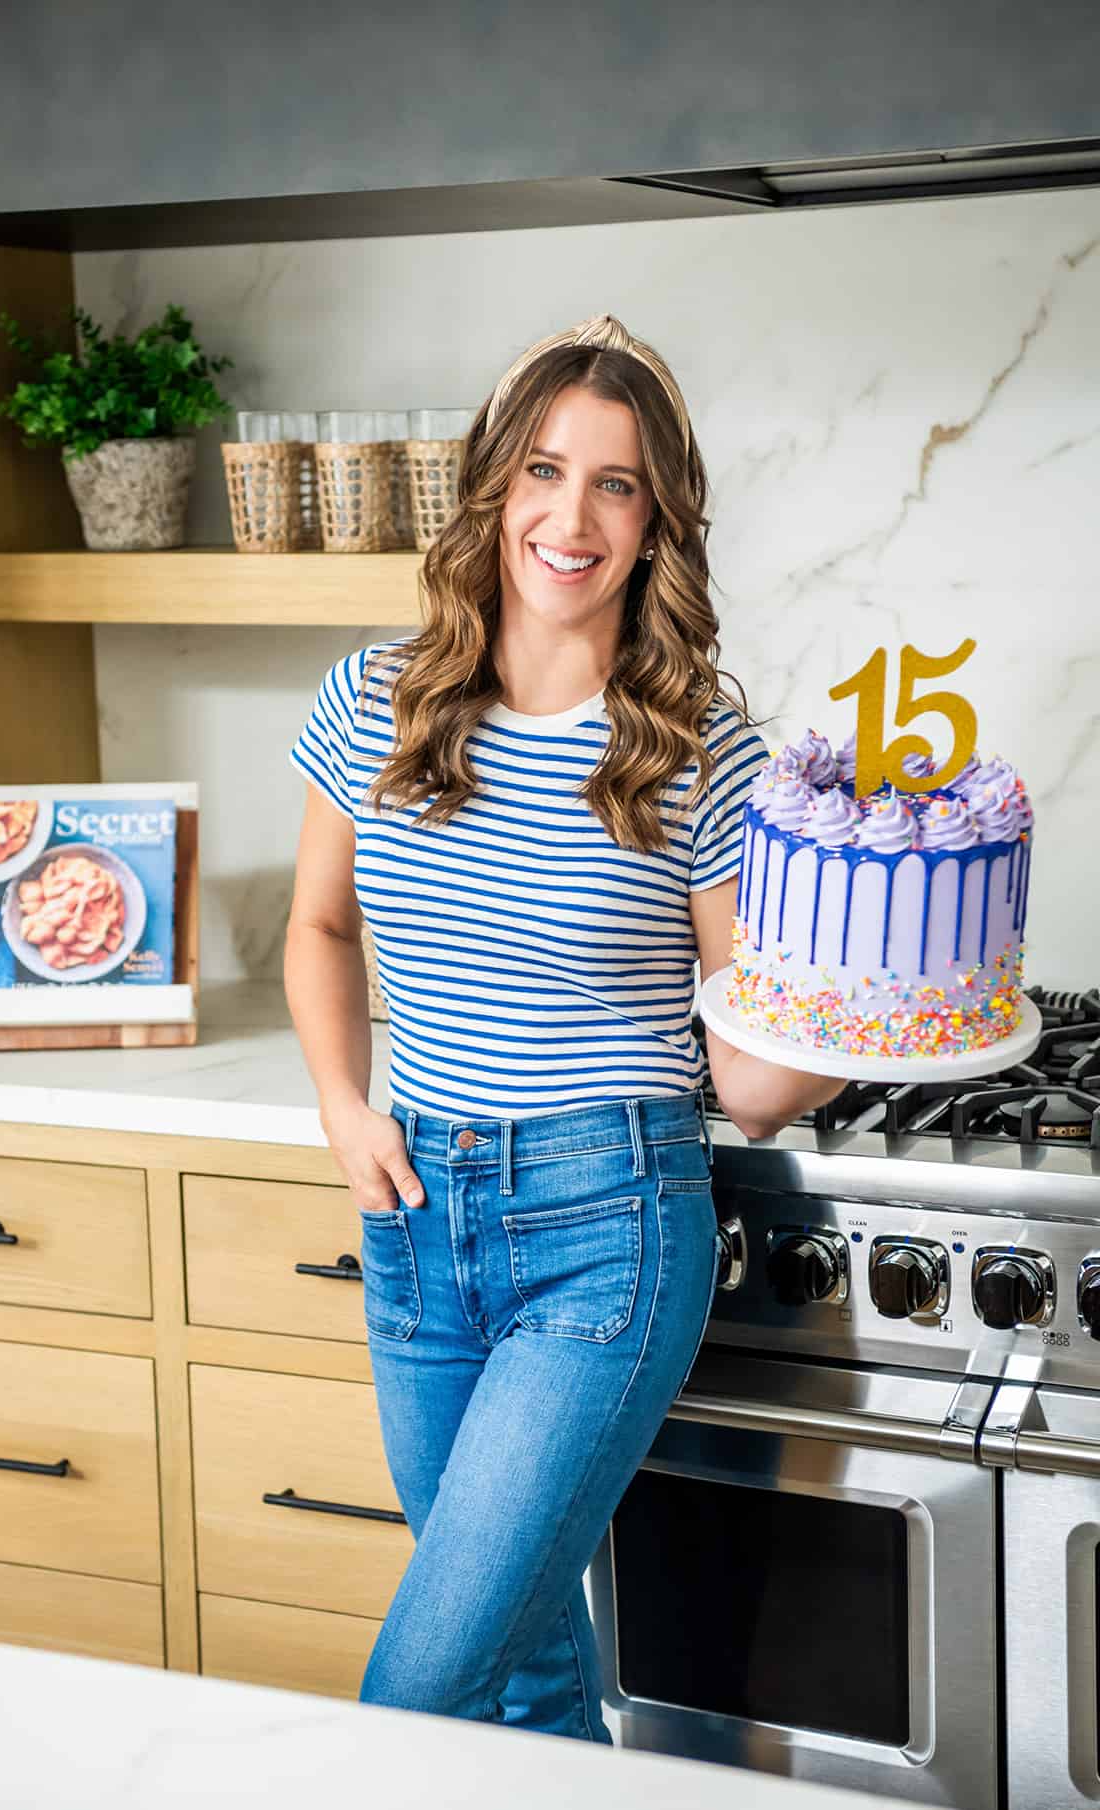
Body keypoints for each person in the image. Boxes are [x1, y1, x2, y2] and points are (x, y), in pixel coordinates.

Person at [283, 313, 848, 1743]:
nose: (571, 514)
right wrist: (345, 1104)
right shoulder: (376, 699)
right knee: (526, 1669)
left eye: (617, 482)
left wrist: (868, 1014)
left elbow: (755, 1073)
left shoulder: (695, 742)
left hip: (609, 1229)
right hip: (418, 1222)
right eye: (544, 470)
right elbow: (319, 928)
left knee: (417, 1687)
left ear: (658, 521)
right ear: (494, 490)